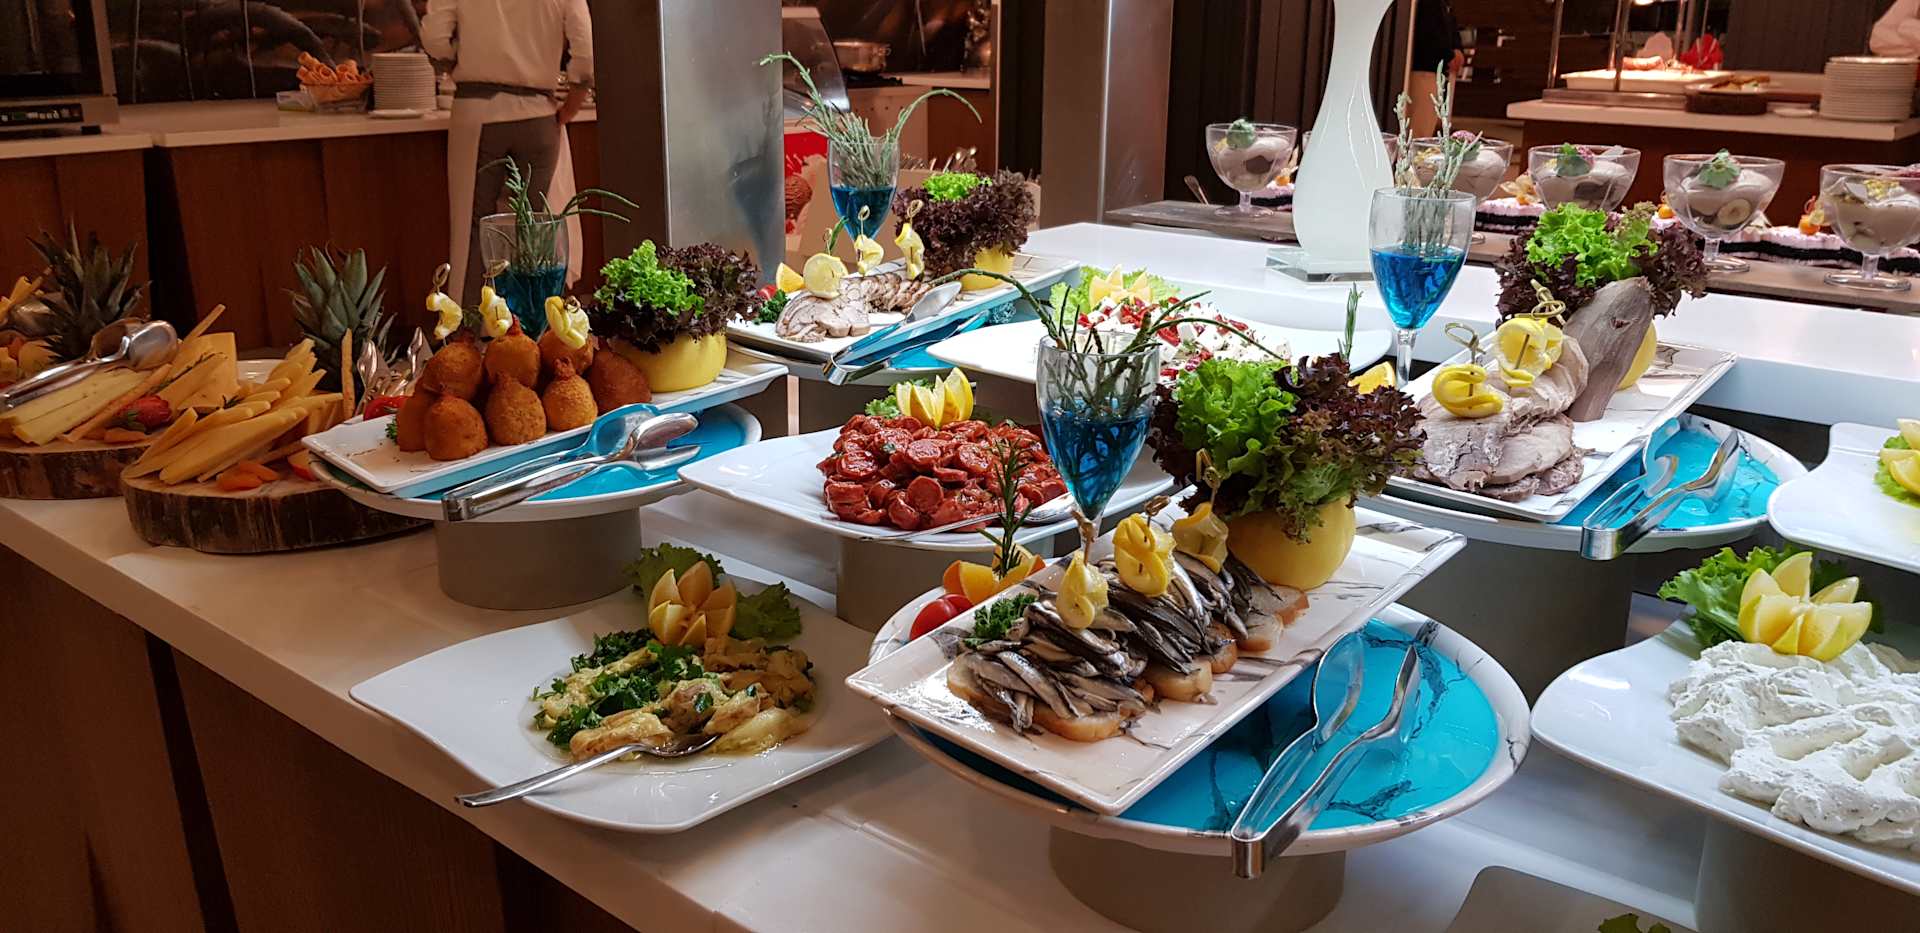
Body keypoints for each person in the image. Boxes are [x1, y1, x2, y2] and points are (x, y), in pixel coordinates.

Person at [422, 0, 593, 304]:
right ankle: (533, 320)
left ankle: (473, 321)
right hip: (539, 115)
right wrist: (572, 105)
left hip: (477, 112)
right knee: (533, 228)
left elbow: (435, 37)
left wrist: (454, 61)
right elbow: (585, 49)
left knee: (475, 225)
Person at [1408, 0, 1464, 138]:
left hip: (1436, 71)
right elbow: (1428, 28)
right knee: (1418, 131)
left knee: (1426, 126)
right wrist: (1448, 55)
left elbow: (1449, 22)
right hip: (1423, 68)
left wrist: (1456, 48)